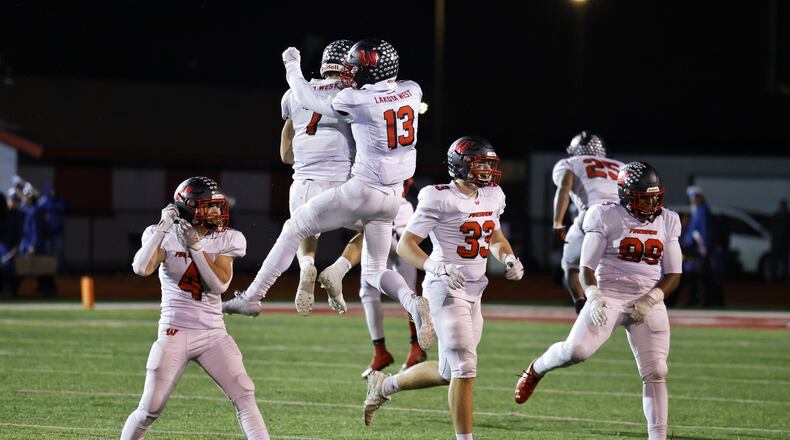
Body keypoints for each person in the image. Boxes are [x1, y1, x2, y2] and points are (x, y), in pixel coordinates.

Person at [223, 39, 435, 350]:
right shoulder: (412, 89)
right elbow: (390, 88)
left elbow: (306, 96)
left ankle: (253, 297)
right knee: (376, 268)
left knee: (294, 228)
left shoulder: (355, 99)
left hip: (360, 190)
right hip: (391, 197)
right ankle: (411, 301)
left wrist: (292, 65)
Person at [362, 136, 524, 440]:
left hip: (475, 290)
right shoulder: (438, 197)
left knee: (449, 372)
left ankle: (383, 386)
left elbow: (494, 236)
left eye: (490, 164)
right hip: (445, 288)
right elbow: (406, 246)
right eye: (481, 163)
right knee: (465, 368)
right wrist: (435, 266)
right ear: (461, 165)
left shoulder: (493, 196)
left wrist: (509, 258)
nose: (488, 170)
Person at [514, 161, 682, 440]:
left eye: (655, 197)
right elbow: (586, 268)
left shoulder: (668, 219)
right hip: (609, 296)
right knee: (575, 352)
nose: (652, 204)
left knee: (656, 371)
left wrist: (651, 298)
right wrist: (592, 296)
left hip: (647, 300)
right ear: (626, 195)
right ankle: (537, 367)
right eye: (644, 198)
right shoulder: (605, 215)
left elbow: (674, 274)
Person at [121, 177, 270, 440]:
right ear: (188, 207)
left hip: (213, 334)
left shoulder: (229, 238)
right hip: (173, 333)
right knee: (149, 410)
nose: (216, 212)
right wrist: (162, 227)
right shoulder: (163, 235)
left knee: (245, 396)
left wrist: (196, 249)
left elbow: (218, 285)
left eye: (217, 205)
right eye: (208, 206)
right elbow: (141, 268)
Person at [279, 39, 356, 316]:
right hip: (341, 182)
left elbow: (286, 155)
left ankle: (307, 266)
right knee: (378, 225)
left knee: (307, 229)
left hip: (302, 182)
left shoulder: (293, 94)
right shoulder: (353, 93)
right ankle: (338, 270)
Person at [323, 178, 427, 377]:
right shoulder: (400, 163)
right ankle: (417, 346)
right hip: (405, 224)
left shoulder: (368, 163)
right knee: (408, 293)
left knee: (369, 289)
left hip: (386, 224)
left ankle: (381, 351)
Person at [551, 131, 623, 314]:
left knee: (570, 265)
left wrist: (558, 222)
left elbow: (565, 185)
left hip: (593, 212)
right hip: (623, 216)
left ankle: (581, 303)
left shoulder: (569, 163)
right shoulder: (621, 165)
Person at [681, 186, 724, 306]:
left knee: (700, 276)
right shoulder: (698, 210)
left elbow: (703, 231)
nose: (692, 200)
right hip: (695, 248)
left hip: (699, 249)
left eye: (694, 198)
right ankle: (699, 300)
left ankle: (702, 301)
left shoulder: (702, 211)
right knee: (697, 276)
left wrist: (703, 247)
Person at [769, 199, 789, 281]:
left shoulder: (788, 217)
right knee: (774, 260)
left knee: (785, 261)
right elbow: (772, 228)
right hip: (776, 241)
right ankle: (773, 277)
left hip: (785, 242)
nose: (782, 208)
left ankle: (785, 277)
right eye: (781, 206)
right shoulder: (775, 216)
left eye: (783, 206)